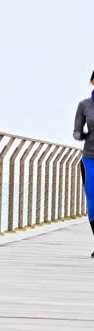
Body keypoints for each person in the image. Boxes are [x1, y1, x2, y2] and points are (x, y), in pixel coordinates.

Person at [73, 70, 94, 257]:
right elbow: (76, 131)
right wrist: (82, 135)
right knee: (93, 203)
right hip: (90, 159)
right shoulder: (84, 105)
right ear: (92, 82)